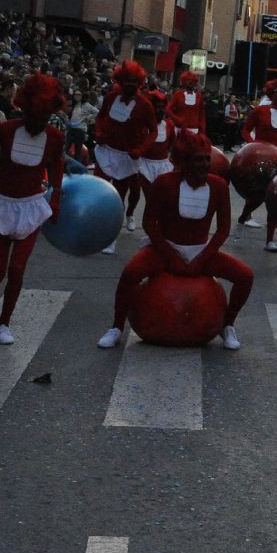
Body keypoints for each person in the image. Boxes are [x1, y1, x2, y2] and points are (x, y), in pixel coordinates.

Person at [99, 130, 253, 351]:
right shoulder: (164, 183)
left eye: (207, 159)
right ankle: (116, 328)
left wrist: (201, 259)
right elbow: (150, 224)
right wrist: (172, 257)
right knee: (130, 273)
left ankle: (227, 325)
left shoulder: (219, 186)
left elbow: (223, 229)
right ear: (184, 161)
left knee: (245, 276)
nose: (205, 164)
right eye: (199, 159)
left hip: (201, 252)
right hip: (165, 249)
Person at [0, 74, 67, 345]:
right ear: (24, 109)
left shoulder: (54, 136)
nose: (39, 123)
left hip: (31, 207)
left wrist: (56, 198)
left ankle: (4, 323)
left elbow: (56, 166)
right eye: (35, 116)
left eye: (45, 117)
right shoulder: (6, 130)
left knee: (16, 270)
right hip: (3, 203)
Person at [93, 61, 157, 252]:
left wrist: (142, 149)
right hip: (106, 153)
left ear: (139, 83)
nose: (129, 85)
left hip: (127, 158)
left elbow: (153, 131)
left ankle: (111, 237)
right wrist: (98, 132)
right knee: (99, 192)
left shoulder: (145, 105)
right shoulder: (111, 96)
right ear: (119, 80)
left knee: (117, 199)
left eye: (133, 81)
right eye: (126, 81)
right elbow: (101, 117)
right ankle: (93, 228)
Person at [237, 80, 277, 235]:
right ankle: (245, 215)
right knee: (260, 191)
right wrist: (252, 146)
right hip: (259, 159)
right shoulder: (260, 111)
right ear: (271, 93)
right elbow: (245, 131)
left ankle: (272, 221)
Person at [166, 71, 206, 135]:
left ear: (195, 82)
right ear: (184, 81)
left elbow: (202, 115)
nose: (190, 82)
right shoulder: (178, 94)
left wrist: (202, 130)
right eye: (188, 80)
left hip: (194, 130)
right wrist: (176, 119)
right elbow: (168, 109)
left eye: (192, 80)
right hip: (180, 129)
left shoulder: (199, 96)